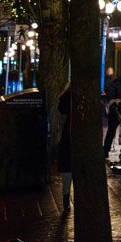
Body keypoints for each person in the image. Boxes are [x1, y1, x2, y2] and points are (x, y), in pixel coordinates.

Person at [56, 84, 72, 212]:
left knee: (67, 173)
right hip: (72, 139)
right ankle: (67, 200)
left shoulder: (64, 97)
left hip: (67, 139)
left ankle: (66, 200)